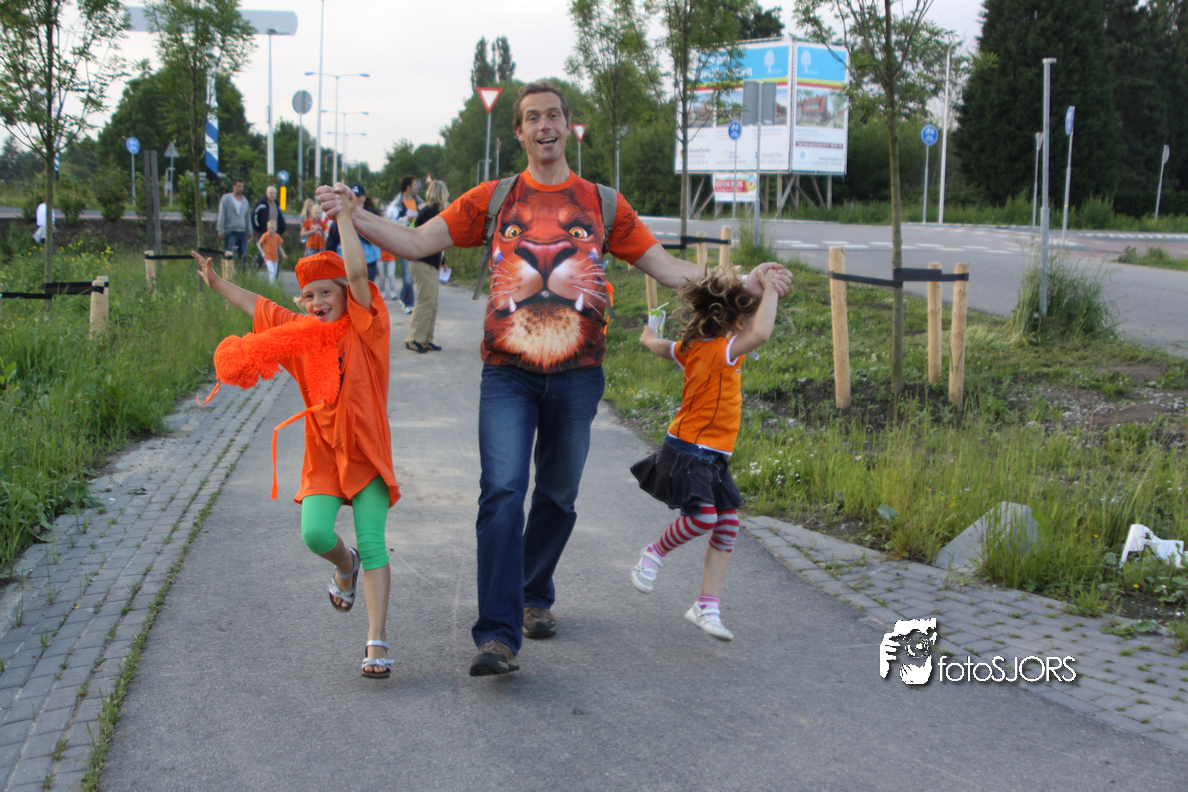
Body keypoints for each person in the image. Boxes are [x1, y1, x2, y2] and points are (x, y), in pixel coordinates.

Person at [317, 80, 791, 677]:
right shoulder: (494, 198)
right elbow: (415, 241)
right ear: (519, 131)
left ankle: (534, 592)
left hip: (578, 377)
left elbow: (669, 269)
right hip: (507, 374)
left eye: (553, 116)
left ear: (568, 126)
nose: (544, 125)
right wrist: (353, 213)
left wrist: (744, 283)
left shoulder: (603, 203)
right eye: (532, 118)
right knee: (502, 492)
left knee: (558, 496)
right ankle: (497, 635)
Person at [190, 186, 398, 679]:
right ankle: (344, 566)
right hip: (323, 457)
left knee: (374, 542)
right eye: (309, 296)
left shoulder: (367, 329)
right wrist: (217, 284)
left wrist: (344, 217)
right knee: (315, 534)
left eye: (327, 292)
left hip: (367, 454)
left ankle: (376, 641)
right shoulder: (301, 336)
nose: (317, 301)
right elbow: (259, 306)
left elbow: (358, 274)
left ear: (345, 295)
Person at [628, 269, 779, 642]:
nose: (751, 327)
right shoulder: (720, 351)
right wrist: (772, 290)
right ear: (737, 324)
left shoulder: (693, 347)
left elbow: (665, 348)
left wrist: (649, 337)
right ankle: (653, 553)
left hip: (710, 452)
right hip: (689, 449)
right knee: (704, 518)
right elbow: (761, 334)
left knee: (727, 524)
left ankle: (706, 606)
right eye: (747, 318)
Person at [404, 180, 450, 353]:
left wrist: (442, 261)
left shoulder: (431, 211)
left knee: (432, 302)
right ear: (441, 194)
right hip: (423, 262)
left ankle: (425, 339)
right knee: (426, 300)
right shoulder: (431, 211)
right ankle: (414, 338)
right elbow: (433, 239)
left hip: (429, 262)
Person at [326, 184, 383, 282]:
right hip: (345, 262)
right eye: (353, 196)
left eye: (358, 196)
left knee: (367, 289)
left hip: (368, 261)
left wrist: (357, 218)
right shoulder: (340, 215)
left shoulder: (372, 214)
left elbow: (374, 238)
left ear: (364, 198)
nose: (355, 199)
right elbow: (332, 241)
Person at [384, 176, 421, 312]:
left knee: (413, 275)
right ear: (408, 187)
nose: (417, 187)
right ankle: (409, 304)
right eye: (415, 184)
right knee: (408, 275)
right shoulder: (396, 205)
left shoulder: (420, 203)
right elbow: (391, 224)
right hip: (403, 242)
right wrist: (406, 219)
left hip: (417, 242)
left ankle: (403, 295)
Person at [217, 178, 252, 267]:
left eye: (242, 187)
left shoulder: (245, 201)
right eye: (238, 186)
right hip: (230, 231)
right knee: (229, 254)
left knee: (243, 256)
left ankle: (243, 272)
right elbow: (222, 214)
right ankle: (229, 272)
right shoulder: (226, 199)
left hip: (242, 232)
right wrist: (220, 229)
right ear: (233, 186)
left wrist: (250, 231)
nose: (240, 188)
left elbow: (247, 217)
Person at [254, 219, 287, 284]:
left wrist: (283, 254)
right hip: (267, 256)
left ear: (275, 228)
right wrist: (262, 252)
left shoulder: (277, 236)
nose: (271, 230)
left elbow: (279, 246)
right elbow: (258, 244)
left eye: (272, 228)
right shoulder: (265, 235)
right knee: (271, 270)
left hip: (275, 257)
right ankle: (271, 284)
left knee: (275, 272)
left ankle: (273, 284)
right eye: (270, 228)